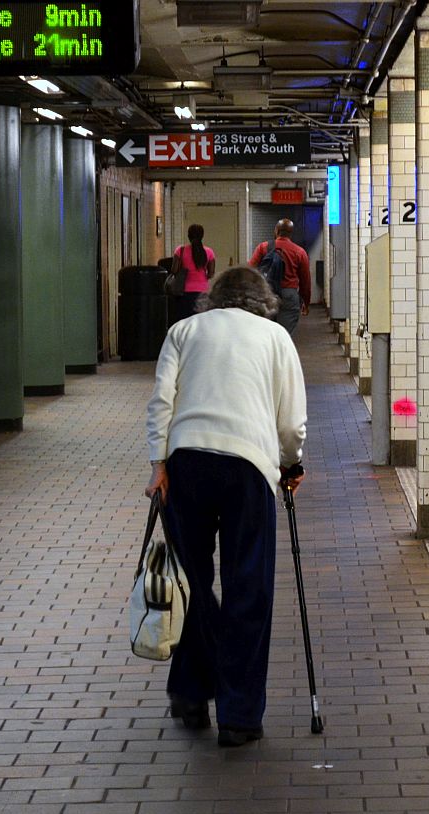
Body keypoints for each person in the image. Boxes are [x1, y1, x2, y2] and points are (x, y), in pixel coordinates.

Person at [144, 265, 307, 747]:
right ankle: (239, 716)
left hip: (186, 462)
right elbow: (292, 420)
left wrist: (158, 464)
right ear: (264, 300)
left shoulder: (184, 331)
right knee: (248, 587)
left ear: (213, 298)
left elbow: (161, 402)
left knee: (188, 581)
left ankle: (192, 693)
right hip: (249, 467)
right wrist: (290, 465)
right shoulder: (276, 337)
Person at [248, 218, 312, 335]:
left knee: (265, 334)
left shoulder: (263, 247)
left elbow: (249, 271)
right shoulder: (299, 252)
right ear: (291, 233)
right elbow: (305, 281)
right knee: (285, 336)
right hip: (289, 295)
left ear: (276, 230)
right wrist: (306, 303)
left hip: (267, 294)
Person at [168, 224, 215, 324]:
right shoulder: (209, 252)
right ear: (202, 236)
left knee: (184, 322)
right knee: (201, 322)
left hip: (184, 293)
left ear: (188, 236)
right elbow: (211, 274)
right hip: (203, 292)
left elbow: (174, 270)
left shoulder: (180, 250)